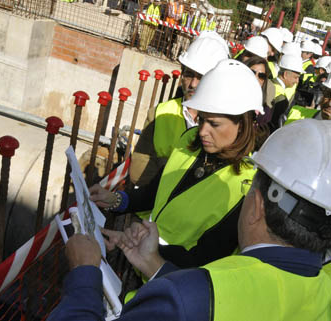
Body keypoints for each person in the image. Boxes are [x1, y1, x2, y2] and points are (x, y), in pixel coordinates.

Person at [48, 119, 331, 321]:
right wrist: (152, 263)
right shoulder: (324, 294)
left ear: (256, 205)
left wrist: (84, 275)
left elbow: (204, 297)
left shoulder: (189, 297)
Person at [91, 60, 266, 270]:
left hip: (173, 286)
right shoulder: (190, 140)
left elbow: (204, 259)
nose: (202, 131)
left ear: (243, 124)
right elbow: (154, 193)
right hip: (141, 263)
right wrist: (116, 200)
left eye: (214, 124)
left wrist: (140, 248)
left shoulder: (245, 187)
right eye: (201, 120)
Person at [129, 34, 228, 186]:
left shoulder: (226, 126)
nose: (193, 84)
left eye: (201, 77)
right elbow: (138, 173)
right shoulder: (160, 113)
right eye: (189, 75)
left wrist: (164, 164)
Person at [269, 54, 303, 131]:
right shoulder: (281, 99)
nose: (297, 82)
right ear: (285, 74)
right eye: (296, 77)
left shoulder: (268, 83)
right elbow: (274, 126)